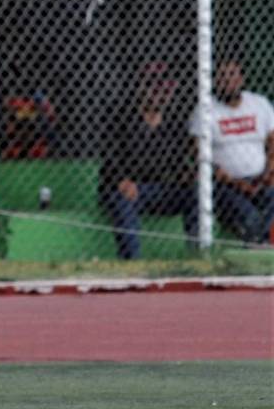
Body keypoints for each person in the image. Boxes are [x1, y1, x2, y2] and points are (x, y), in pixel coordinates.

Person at [98, 61, 196, 259]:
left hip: (160, 189)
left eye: (164, 90)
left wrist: (188, 175)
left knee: (196, 194)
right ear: (141, 88)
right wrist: (121, 180)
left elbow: (178, 164)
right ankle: (132, 262)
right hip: (128, 188)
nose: (159, 95)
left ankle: (198, 255)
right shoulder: (121, 118)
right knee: (122, 199)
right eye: (153, 87)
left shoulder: (174, 124)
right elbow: (109, 159)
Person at [190, 58, 274, 246]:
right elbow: (198, 154)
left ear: (241, 78)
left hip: (262, 178)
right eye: (222, 76)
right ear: (214, 81)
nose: (228, 81)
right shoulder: (205, 110)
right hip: (225, 184)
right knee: (249, 215)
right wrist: (236, 183)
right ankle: (260, 247)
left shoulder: (259, 103)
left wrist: (269, 173)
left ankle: (261, 245)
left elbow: (272, 142)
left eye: (232, 75)